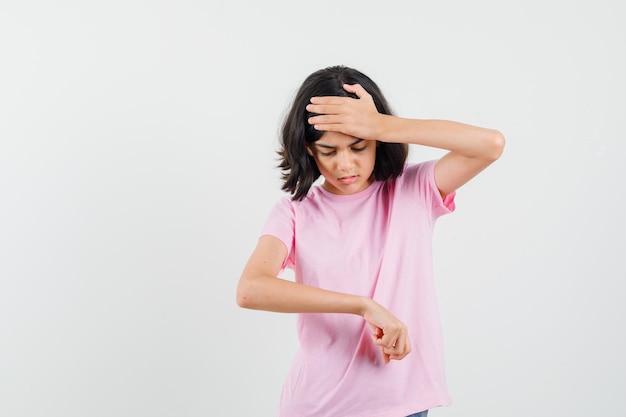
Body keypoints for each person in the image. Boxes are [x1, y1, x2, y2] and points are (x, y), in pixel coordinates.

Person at [236, 65, 505, 417]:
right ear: (309, 151)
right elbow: (250, 289)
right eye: (329, 151)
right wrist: (362, 305)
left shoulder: (413, 190)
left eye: (358, 146)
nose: (345, 164)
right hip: (317, 406)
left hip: (401, 405)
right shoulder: (295, 211)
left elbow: (490, 145)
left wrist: (381, 125)